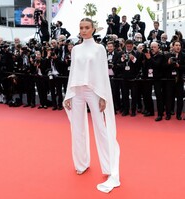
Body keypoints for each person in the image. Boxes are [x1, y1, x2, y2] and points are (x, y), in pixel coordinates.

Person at [63, 18, 120, 193]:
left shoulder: (100, 48)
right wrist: (69, 94)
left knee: (101, 128)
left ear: (93, 29)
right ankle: (81, 164)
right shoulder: (76, 49)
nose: (84, 30)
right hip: (77, 91)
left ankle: (109, 166)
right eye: (81, 27)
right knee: (77, 127)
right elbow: (73, 71)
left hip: (94, 91)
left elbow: (102, 72)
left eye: (87, 27)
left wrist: (103, 96)